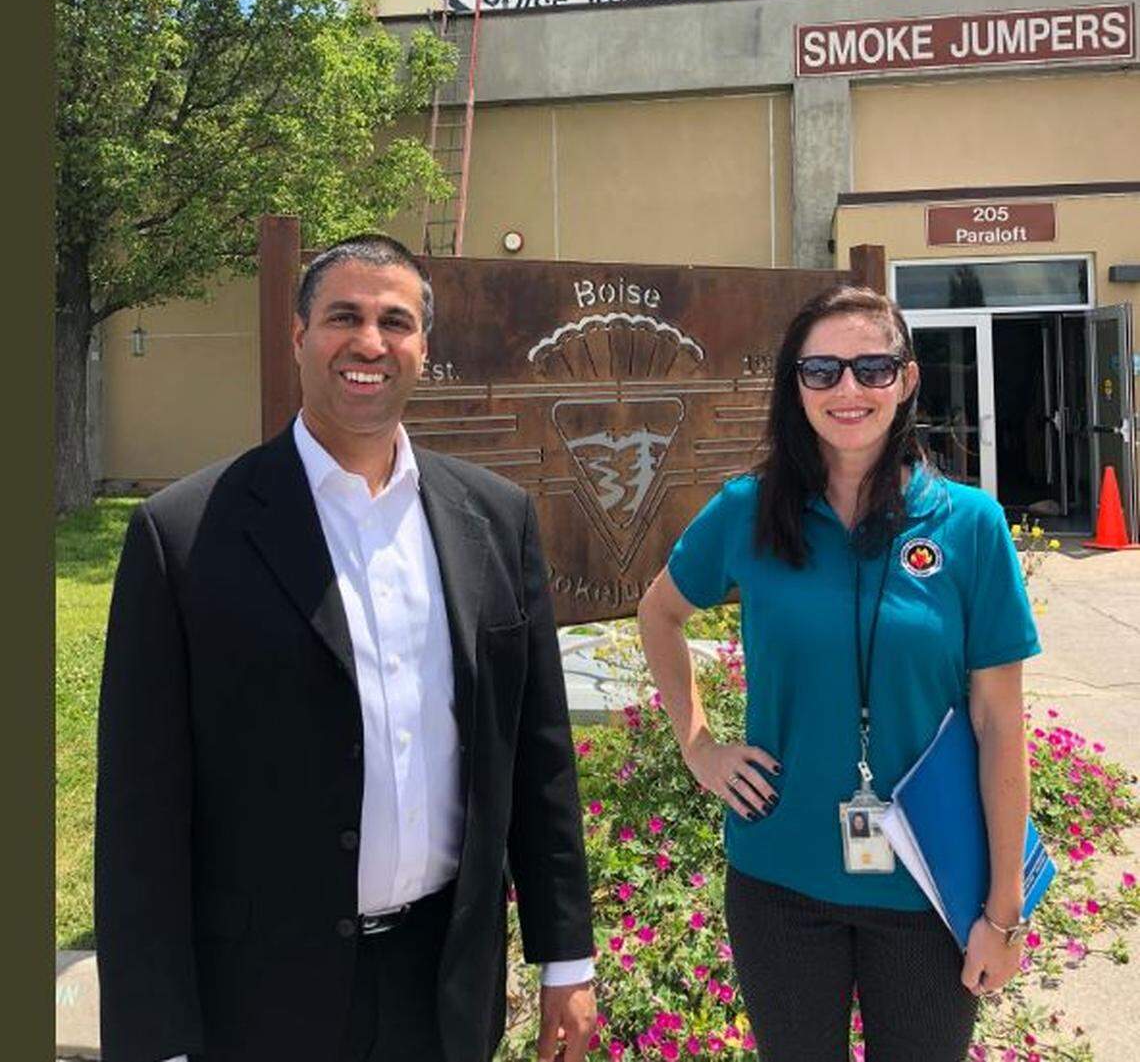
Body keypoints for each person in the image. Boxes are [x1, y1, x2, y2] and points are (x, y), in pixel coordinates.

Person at [95, 235, 597, 1062]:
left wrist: (566, 957)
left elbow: (538, 759)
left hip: (443, 984)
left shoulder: (495, 520)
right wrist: (157, 1039)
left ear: (423, 350)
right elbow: (140, 815)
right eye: (343, 316)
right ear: (299, 336)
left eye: (395, 321)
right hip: (260, 995)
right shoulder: (184, 536)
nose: (370, 342)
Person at [637, 284, 1040, 1062]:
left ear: (909, 379)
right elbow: (660, 612)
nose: (847, 389)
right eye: (821, 370)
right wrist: (699, 745)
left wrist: (1004, 910)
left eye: (871, 367)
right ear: (796, 384)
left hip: (930, 888)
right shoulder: (748, 510)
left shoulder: (970, 525)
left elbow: (998, 723)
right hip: (780, 876)